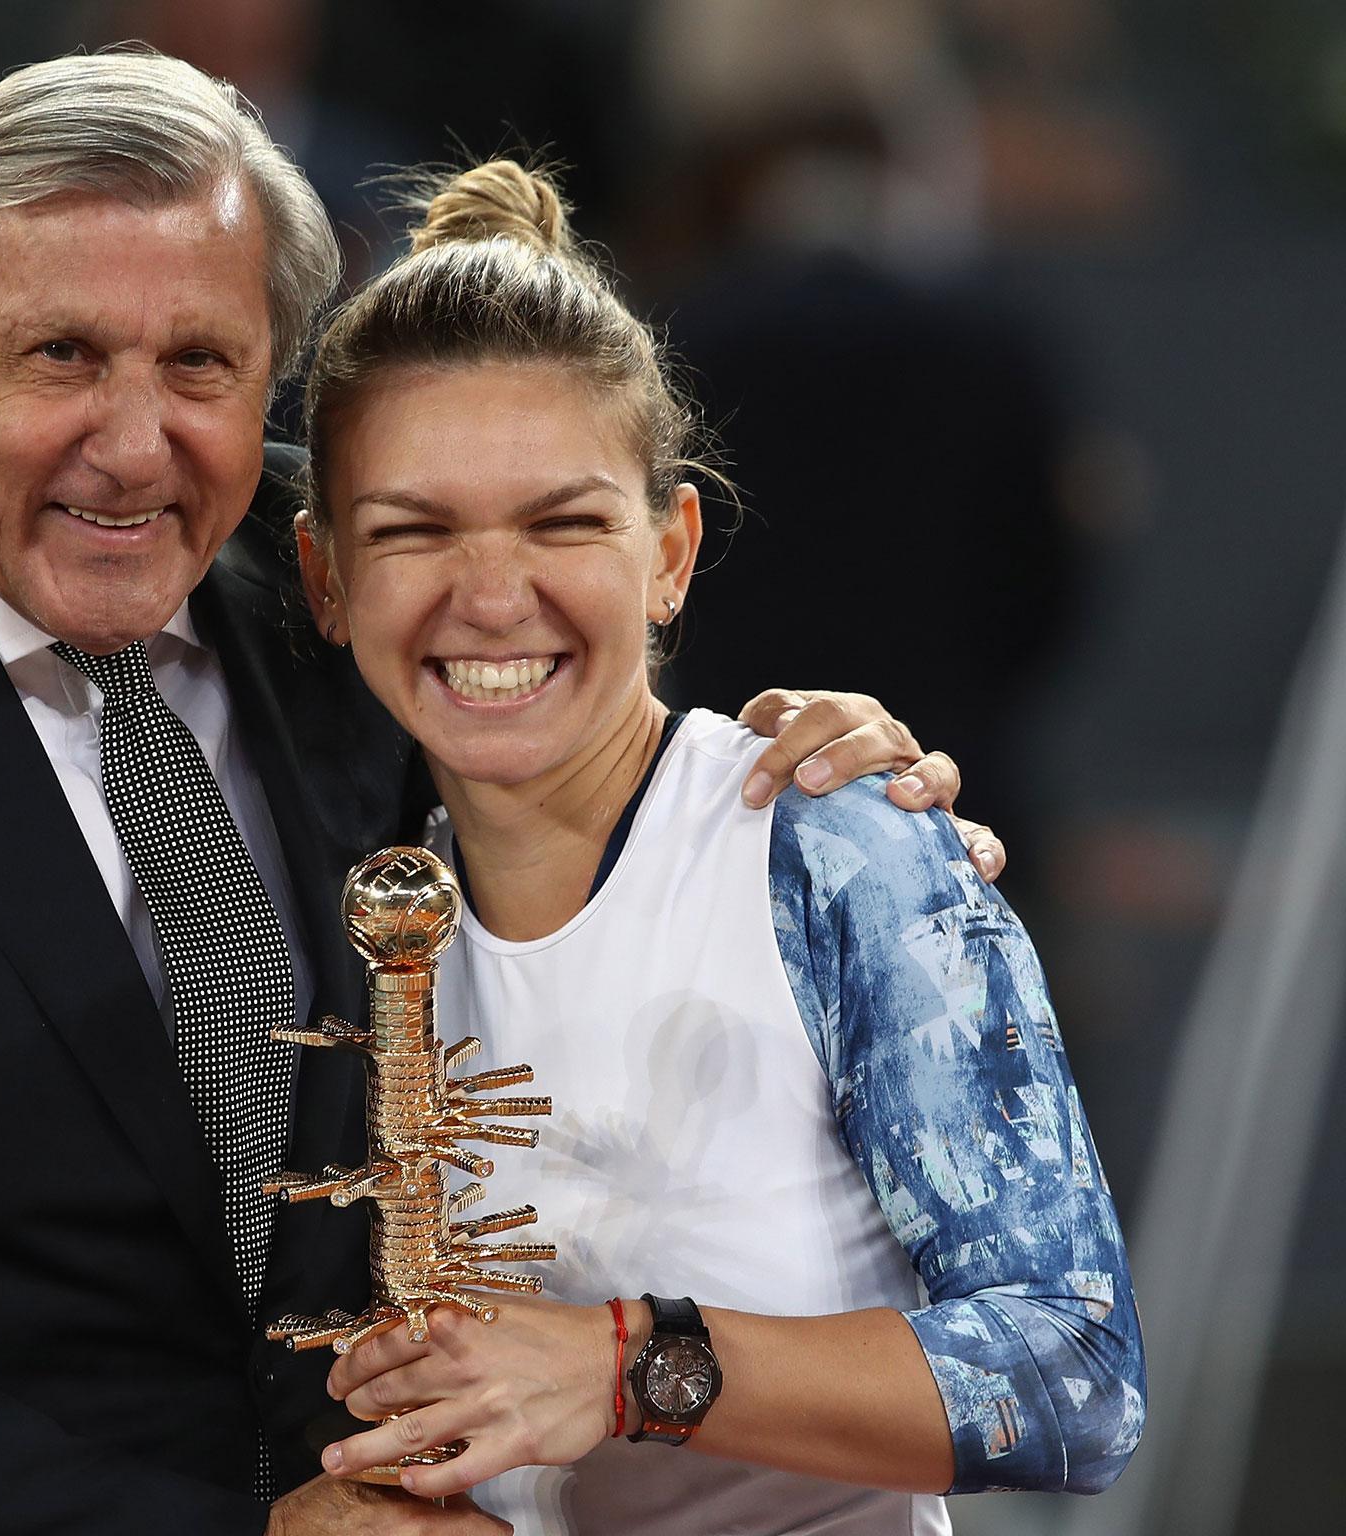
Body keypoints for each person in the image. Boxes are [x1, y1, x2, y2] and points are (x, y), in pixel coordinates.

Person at [0, 52, 1003, 1536]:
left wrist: (814, 794)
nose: (135, 441)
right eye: (63, 358)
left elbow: (596, 743)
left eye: (200, 365)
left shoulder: (339, 581)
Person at [292, 161, 1143, 1532]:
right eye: (414, 533)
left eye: (565, 522)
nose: (493, 594)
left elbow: (1075, 1377)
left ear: (670, 550)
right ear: (327, 578)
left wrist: (631, 1363)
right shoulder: (330, 916)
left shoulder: (836, 850)